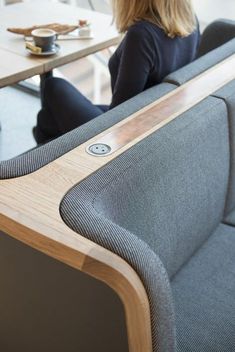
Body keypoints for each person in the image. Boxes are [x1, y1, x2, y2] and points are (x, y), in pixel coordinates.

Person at [33, 0, 200, 144]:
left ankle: (49, 159)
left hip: (121, 137)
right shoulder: (190, 21)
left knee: (53, 86)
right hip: (154, 122)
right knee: (46, 117)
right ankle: (47, 149)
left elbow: (118, 116)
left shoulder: (142, 35)